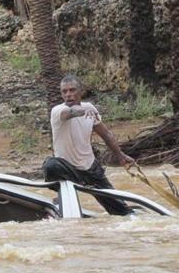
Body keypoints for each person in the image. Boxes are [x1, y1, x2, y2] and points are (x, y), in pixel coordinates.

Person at [43, 74, 135, 216]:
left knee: (123, 211)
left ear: (81, 91)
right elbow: (72, 112)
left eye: (72, 90)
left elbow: (106, 135)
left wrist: (120, 155)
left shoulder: (90, 109)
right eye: (64, 91)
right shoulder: (58, 111)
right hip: (67, 168)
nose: (68, 95)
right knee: (50, 165)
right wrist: (84, 110)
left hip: (91, 168)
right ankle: (62, 197)